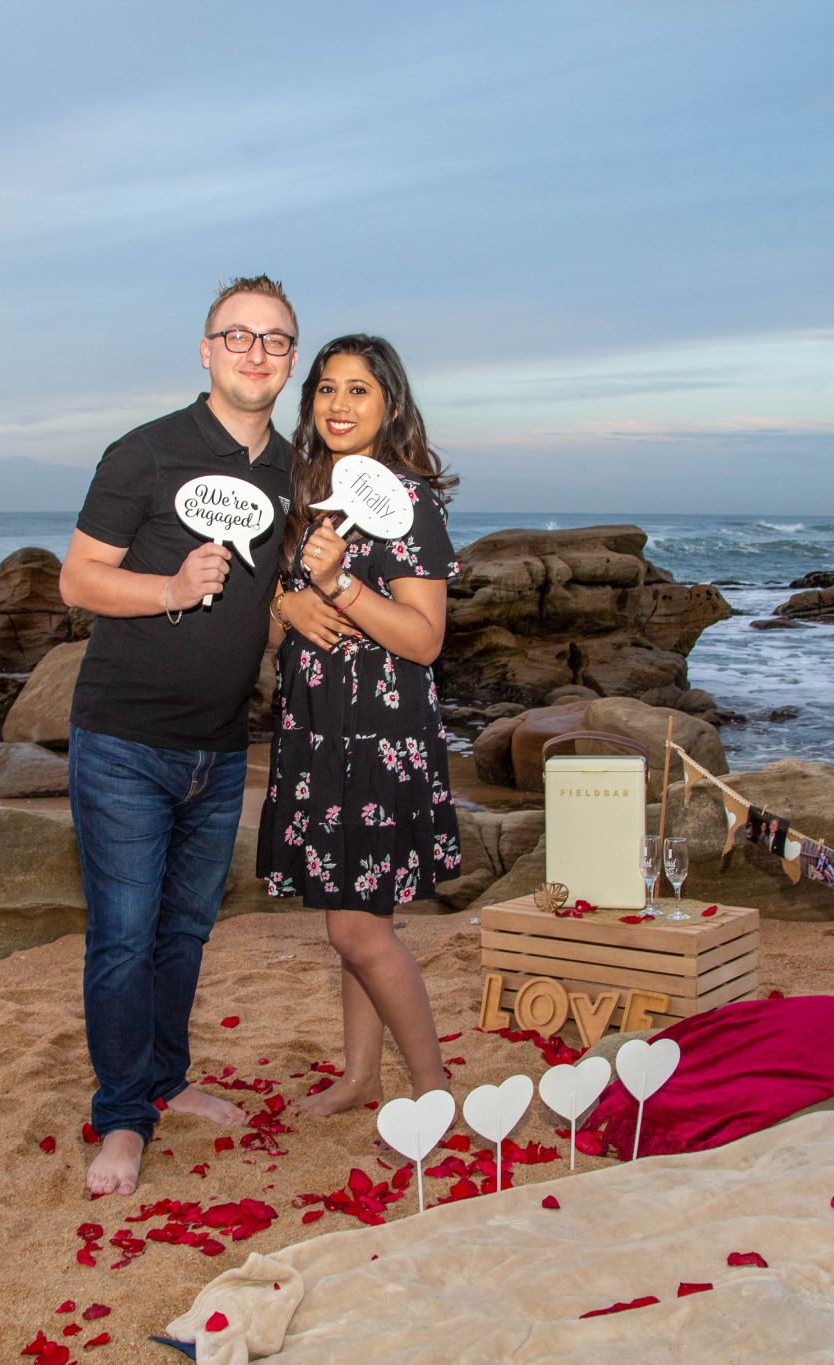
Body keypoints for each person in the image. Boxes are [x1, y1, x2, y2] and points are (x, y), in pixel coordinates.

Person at [59, 275, 301, 1196]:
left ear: (290, 359)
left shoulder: (289, 473)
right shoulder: (146, 453)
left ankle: (166, 1079)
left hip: (221, 743)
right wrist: (168, 588)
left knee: (186, 932)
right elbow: (79, 580)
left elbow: (270, 609)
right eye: (237, 336)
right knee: (122, 935)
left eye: (275, 340)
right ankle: (122, 1118)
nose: (255, 352)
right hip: (123, 739)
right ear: (205, 350)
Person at [257, 334, 462, 1117]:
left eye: (359, 391)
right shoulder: (305, 493)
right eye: (327, 389)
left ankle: (433, 1090)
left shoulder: (408, 501)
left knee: (357, 931)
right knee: (354, 914)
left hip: (379, 739)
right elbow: (276, 628)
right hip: (316, 735)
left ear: (391, 406)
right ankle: (360, 1077)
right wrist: (286, 602)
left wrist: (339, 585)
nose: (339, 405)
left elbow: (424, 639)